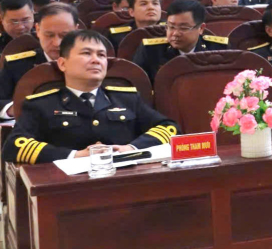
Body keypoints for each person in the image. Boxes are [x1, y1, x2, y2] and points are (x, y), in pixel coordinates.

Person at [3, 30, 178, 164]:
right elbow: (15, 145)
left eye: (101, 55)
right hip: (67, 188)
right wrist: (74, 155)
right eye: (86, 53)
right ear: (62, 63)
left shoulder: (126, 98)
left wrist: (131, 148)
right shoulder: (41, 104)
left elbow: (169, 128)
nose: (96, 60)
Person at [0, 3, 81, 115]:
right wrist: (17, 108)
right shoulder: (17, 65)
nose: (57, 43)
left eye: (64, 35)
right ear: (37, 30)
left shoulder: (90, 63)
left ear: (76, 30)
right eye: (49, 35)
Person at [133, 0, 228, 82]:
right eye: (171, 27)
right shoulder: (151, 50)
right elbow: (139, 87)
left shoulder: (220, 49)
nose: (175, 33)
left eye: (183, 28)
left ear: (201, 28)